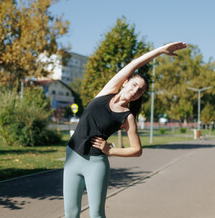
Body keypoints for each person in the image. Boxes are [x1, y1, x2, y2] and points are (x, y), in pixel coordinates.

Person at [63, 41, 187, 218]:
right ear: (125, 82)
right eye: (134, 85)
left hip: (96, 164)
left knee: (96, 215)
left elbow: (137, 150)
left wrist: (110, 150)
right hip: (72, 157)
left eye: (141, 90)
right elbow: (134, 64)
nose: (136, 90)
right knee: (70, 213)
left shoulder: (127, 117)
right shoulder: (108, 91)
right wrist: (160, 51)